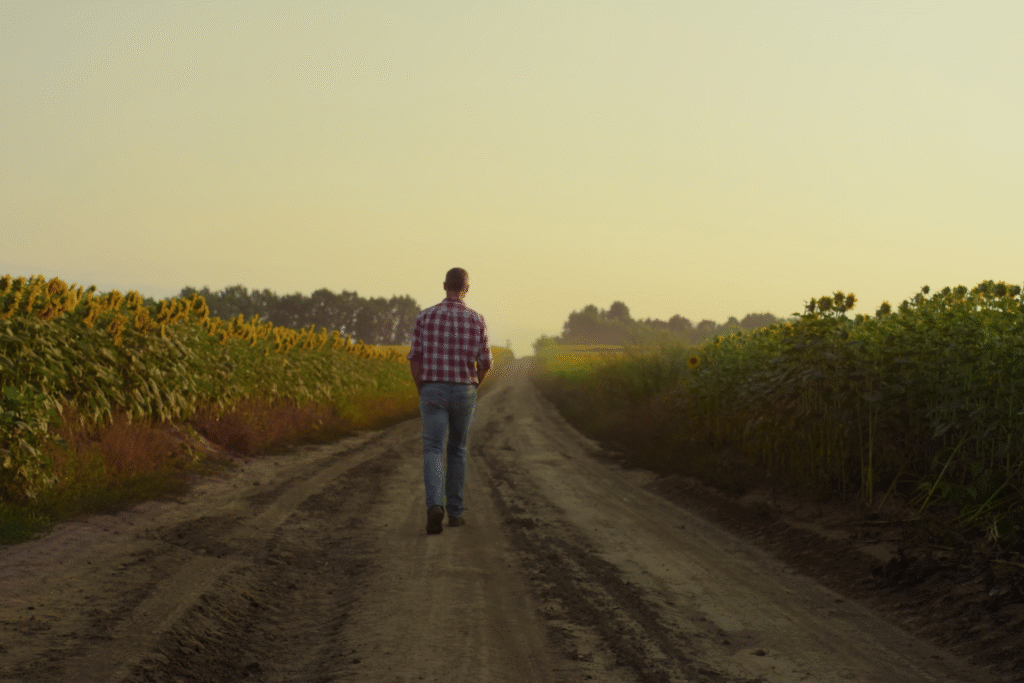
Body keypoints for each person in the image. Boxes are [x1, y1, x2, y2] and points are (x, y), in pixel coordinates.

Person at [407, 267, 492, 535]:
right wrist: (474, 382)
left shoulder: (425, 317)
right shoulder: (477, 320)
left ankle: (435, 506)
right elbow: (486, 362)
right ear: (467, 288)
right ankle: (455, 514)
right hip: (464, 388)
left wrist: (423, 387)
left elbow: (415, 358)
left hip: (433, 388)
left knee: (433, 448)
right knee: (457, 450)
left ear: (445, 286)